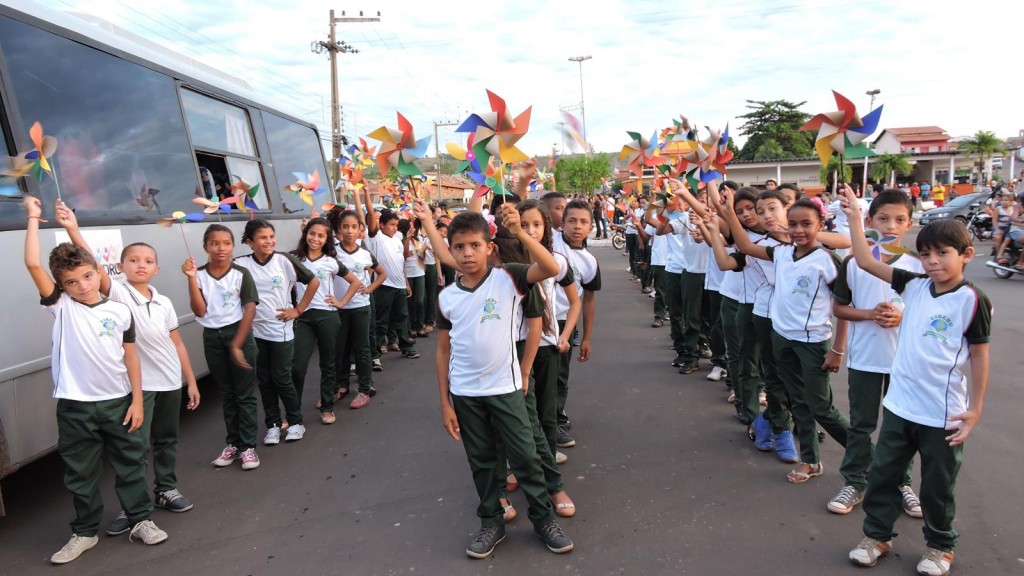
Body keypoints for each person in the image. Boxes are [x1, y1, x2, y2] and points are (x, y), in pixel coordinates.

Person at [842, 187, 991, 576]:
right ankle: (877, 536)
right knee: (884, 475)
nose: (933, 261)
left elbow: (979, 356)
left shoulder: (973, 299)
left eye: (942, 253)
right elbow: (864, 259)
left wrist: (975, 410)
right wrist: (856, 217)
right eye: (925, 254)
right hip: (899, 406)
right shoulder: (912, 284)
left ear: (966, 255)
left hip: (942, 413)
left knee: (937, 486)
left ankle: (940, 546)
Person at [24, 197, 168, 564]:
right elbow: (33, 263)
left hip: (119, 402)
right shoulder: (61, 306)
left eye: (88, 276)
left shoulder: (120, 310)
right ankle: (85, 532)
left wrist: (138, 401)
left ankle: (140, 520)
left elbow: (131, 357)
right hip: (75, 406)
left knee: (131, 464)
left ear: (97, 272)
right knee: (80, 473)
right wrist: (34, 217)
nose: (82, 285)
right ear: (61, 287)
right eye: (71, 282)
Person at [433, 208, 573, 558]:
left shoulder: (509, 277)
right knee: (482, 461)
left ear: (489, 247)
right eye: (459, 247)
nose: (467, 253)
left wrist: (520, 232)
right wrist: (445, 402)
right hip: (465, 394)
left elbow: (550, 268)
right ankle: (491, 523)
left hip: (506, 389)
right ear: (451, 251)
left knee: (525, 456)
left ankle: (543, 520)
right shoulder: (447, 297)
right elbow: (442, 350)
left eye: (474, 245)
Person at [57, 208, 201, 533]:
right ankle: (134, 507)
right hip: (140, 387)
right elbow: (93, 265)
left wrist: (190, 381)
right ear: (120, 267)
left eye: (148, 261)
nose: (141, 265)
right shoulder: (118, 291)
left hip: (170, 382)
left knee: (167, 439)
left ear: (157, 268)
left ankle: (166, 489)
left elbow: (177, 344)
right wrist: (73, 229)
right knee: (135, 448)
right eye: (133, 260)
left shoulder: (164, 302)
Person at [726, 193, 850, 484]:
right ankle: (811, 460)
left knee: (822, 407)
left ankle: (869, 456)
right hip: (782, 339)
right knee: (799, 402)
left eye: (806, 224)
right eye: (793, 224)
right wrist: (728, 210)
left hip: (813, 343)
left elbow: (844, 305)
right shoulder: (781, 252)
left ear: (820, 225)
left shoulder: (827, 259)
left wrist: (838, 350)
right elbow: (745, 246)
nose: (798, 230)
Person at [827, 190, 924, 517]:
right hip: (865, 359)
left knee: (903, 427)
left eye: (899, 219)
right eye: (883, 218)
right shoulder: (854, 262)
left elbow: (930, 312)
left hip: (905, 363)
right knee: (862, 425)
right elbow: (839, 308)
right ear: (869, 221)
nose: (890, 226)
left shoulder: (918, 264)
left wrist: (902, 317)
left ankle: (902, 482)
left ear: (909, 223)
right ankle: (855, 481)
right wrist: (869, 314)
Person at [235, 220, 319, 446]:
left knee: (281, 377)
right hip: (254, 331)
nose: (269, 241)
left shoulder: (284, 260)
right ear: (250, 241)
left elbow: (313, 282)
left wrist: (298, 310)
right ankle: (272, 424)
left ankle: (296, 422)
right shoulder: (240, 264)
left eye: (271, 237)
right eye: (263, 238)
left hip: (280, 329)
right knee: (264, 380)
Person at [185, 225, 261, 471]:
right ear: (205, 246)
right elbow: (200, 311)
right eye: (214, 243)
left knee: (244, 394)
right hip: (212, 337)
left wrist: (237, 344)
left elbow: (250, 309)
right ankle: (234, 444)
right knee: (227, 394)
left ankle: (248, 447)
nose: (221, 248)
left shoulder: (241, 273)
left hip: (238, 334)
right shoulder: (198, 274)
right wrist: (191, 279)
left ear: (233, 246)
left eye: (226, 243)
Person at [290, 218, 361, 424]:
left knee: (328, 364)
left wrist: (341, 302)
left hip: (327, 317)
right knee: (297, 367)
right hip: (303, 317)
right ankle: (293, 414)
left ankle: (327, 407)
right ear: (305, 234)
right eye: (312, 233)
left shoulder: (331, 261)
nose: (315, 238)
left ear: (327, 239)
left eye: (321, 235)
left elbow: (355, 282)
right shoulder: (293, 258)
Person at [550, 199, 601, 449]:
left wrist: (587, 338)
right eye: (571, 221)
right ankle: (542, 421)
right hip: (538, 319)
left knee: (560, 375)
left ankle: (557, 420)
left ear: (591, 226)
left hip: (565, 324)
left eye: (583, 222)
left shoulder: (590, 262)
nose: (577, 226)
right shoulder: (550, 242)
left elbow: (588, 300)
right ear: (562, 223)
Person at [365, 207, 420, 359]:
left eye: (396, 225)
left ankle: (407, 347)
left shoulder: (397, 240)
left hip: (400, 286)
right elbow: (370, 214)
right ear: (382, 225)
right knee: (381, 320)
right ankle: (376, 352)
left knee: (402, 317)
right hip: (384, 286)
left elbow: (401, 262)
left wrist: (406, 283)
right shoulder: (377, 237)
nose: (395, 228)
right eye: (391, 225)